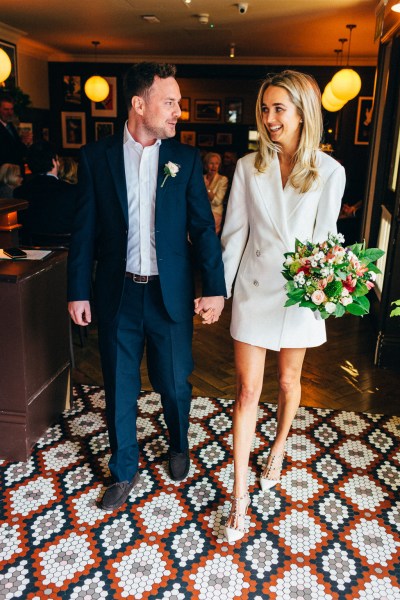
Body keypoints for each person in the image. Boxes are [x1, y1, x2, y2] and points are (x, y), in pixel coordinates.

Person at [67, 62, 226, 512]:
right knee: (119, 386)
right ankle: (124, 468)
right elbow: (85, 231)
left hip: (169, 294)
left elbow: (203, 228)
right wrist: (77, 290)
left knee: (174, 384)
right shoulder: (96, 157)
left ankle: (178, 445)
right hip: (117, 293)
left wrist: (214, 286)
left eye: (179, 103)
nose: (179, 112)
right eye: (170, 102)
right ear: (139, 104)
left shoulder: (186, 159)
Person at [221, 70, 346, 543]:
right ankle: (238, 499)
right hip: (254, 290)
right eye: (265, 109)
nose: (270, 119)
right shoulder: (247, 167)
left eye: (279, 109)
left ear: (301, 113)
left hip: (299, 296)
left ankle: (277, 447)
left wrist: (330, 286)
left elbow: (326, 239)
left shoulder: (330, 171)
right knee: (246, 394)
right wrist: (221, 290)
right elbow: (233, 236)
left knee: (289, 381)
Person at [14, 141, 77, 244]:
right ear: (54, 161)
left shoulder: (20, 192)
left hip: (31, 249)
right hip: (65, 249)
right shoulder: (71, 191)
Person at [0, 93, 28, 173]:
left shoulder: (12, 126)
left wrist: (25, 143)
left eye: (11, 109)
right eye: (6, 109)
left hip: (16, 173)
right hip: (4, 174)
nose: (10, 113)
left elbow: (19, 151)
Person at [203, 152, 228, 236]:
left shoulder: (223, 179)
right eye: (211, 163)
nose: (214, 166)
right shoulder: (201, 178)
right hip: (201, 212)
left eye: (217, 163)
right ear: (206, 165)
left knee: (208, 237)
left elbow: (217, 201)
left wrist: (208, 188)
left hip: (215, 213)